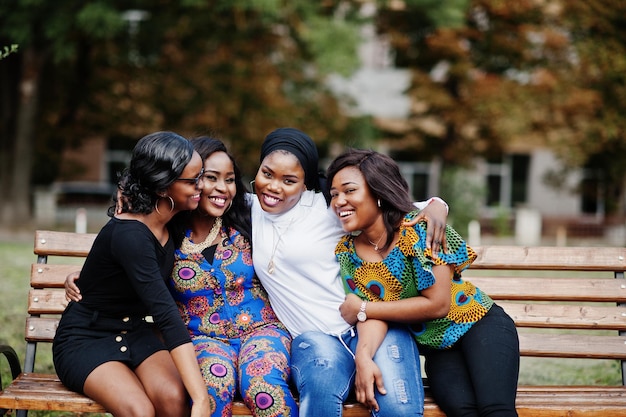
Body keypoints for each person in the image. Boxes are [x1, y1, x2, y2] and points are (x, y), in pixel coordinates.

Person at [250, 127, 449, 417]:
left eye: (289, 180)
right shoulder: (248, 208)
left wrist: (437, 207)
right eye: (267, 174)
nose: (274, 187)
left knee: (396, 407)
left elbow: (417, 206)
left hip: (373, 324)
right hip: (317, 338)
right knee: (320, 397)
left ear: (305, 182)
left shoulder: (328, 208)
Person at [326, 148, 520, 417]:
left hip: (479, 325)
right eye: (334, 194)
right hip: (439, 350)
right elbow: (371, 316)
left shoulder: (420, 228)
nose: (339, 201)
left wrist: (363, 308)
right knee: (462, 411)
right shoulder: (348, 253)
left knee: (495, 410)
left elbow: (437, 304)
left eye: (349, 190)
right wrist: (364, 355)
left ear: (379, 193)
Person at [53, 131, 212, 417]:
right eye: (192, 180)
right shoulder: (130, 234)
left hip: (135, 332)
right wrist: (201, 399)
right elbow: (165, 314)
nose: (200, 186)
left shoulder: (175, 219)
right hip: (87, 338)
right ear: (163, 188)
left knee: (174, 399)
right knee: (140, 410)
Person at [168, 136, 297, 416]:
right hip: (201, 337)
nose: (222, 188)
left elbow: (305, 194)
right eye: (211, 178)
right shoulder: (166, 236)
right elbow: (126, 258)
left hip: (262, 330)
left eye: (229, 179)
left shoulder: (248, 219)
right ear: (190, 180)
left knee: (262, 385)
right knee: (214, 383)